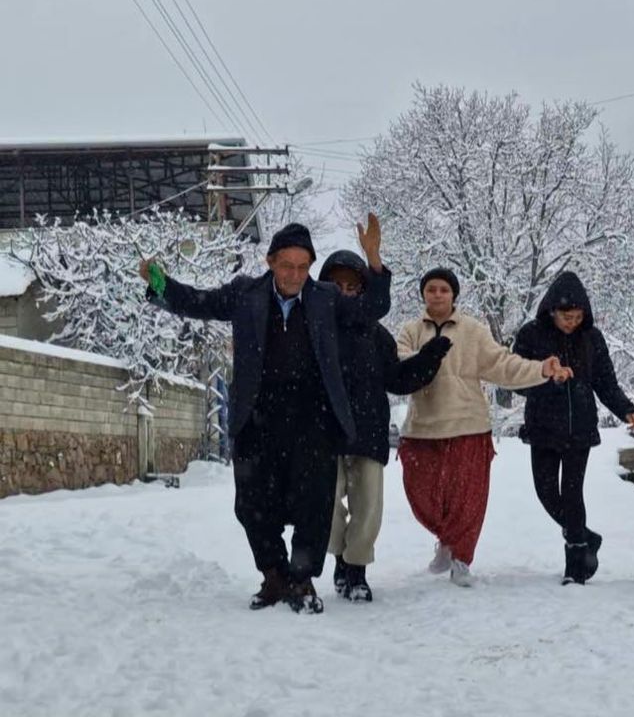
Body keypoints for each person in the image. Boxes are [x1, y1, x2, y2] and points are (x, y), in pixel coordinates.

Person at [139, 217, 389, 614]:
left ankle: (302, 579)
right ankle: (273, 576)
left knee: (314, 503)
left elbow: (373, 308)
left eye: (303, 266)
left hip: (314, 418)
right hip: (258, 417)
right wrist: (159, 284)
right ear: (270, 261)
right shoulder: (245, 294)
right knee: (253, 502)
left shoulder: (326, 297)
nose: (294, 274)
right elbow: (197, 302)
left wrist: (374, 261)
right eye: (287, 265)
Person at [396, 267, 571, 587]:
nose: (437, 294)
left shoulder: (472, 331)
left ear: (454, 295)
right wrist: (426, 358)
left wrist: (541, 369)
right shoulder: (409, 331)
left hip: (468, 425)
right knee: (420, 495)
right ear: (423, 294)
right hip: (422, 429)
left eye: (444, 290)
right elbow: (400, 370)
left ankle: (461, 558)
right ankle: (447, 540)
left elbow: (503, 365)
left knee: (468, 499)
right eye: (431, 289)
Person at [318, 250, 452, 602]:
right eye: (337, 284)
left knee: (369, 509)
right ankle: (339, 557)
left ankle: (357, 570)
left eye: (352, 285)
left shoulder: (376, 334)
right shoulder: (312, 329)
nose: (345, 291)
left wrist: (428, 358)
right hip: (322, 433)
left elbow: (396, 378)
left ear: (363, 290)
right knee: (324, 507)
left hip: (368, 430)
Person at [512, 272, 634, 585]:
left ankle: (576, 563)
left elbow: (605, 383)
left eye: (577, 316)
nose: (572, 322)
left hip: (579, 428)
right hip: (543, 424)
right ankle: (584, 536)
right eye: (566, 316)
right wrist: (547, 378)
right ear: (551, 312)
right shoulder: (531, 335)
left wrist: (627, 410)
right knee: (546, 493)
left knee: (572, 494)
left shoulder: (592, 338)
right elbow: (514, 380)